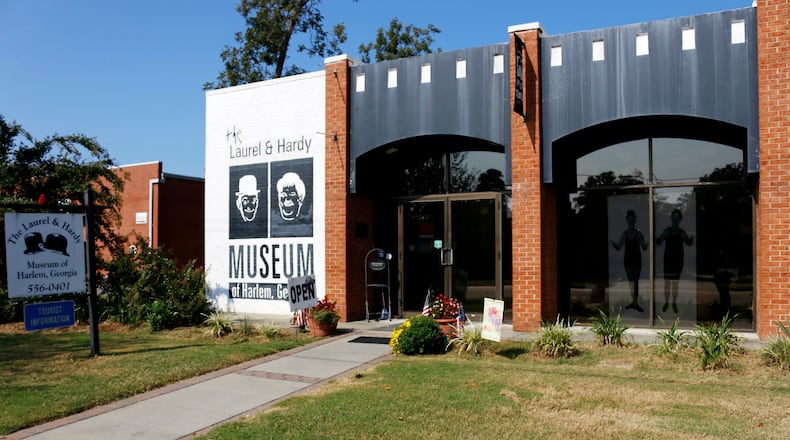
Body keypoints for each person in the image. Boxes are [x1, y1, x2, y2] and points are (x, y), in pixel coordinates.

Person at [655, 209, 694, 313]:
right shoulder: (667, 231)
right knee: (667, 282)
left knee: (675, 283)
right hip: (668, 259)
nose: (675, 220)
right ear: (671, 218)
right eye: (673, 218)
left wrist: (691, 240)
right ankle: (667, 302)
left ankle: (674, 303)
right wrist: (654, 237)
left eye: (677, 218)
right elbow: (659, 240)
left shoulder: (682, 232)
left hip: (678, 260)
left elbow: (688, 243)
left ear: (679, 220)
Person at [611, 210, 648, 312]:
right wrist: (612, 244)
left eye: (632, 219)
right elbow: (619, 247)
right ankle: (633, 301)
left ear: (634, 220)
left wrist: (645, 244)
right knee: (630, 282)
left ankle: (635, 302)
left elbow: (644, 247)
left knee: (635, 282)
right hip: (627, 260)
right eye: (629, 219)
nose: (631, 221)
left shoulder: (639, 234)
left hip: (636, 260)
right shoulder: (625, 234)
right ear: (627, 220)